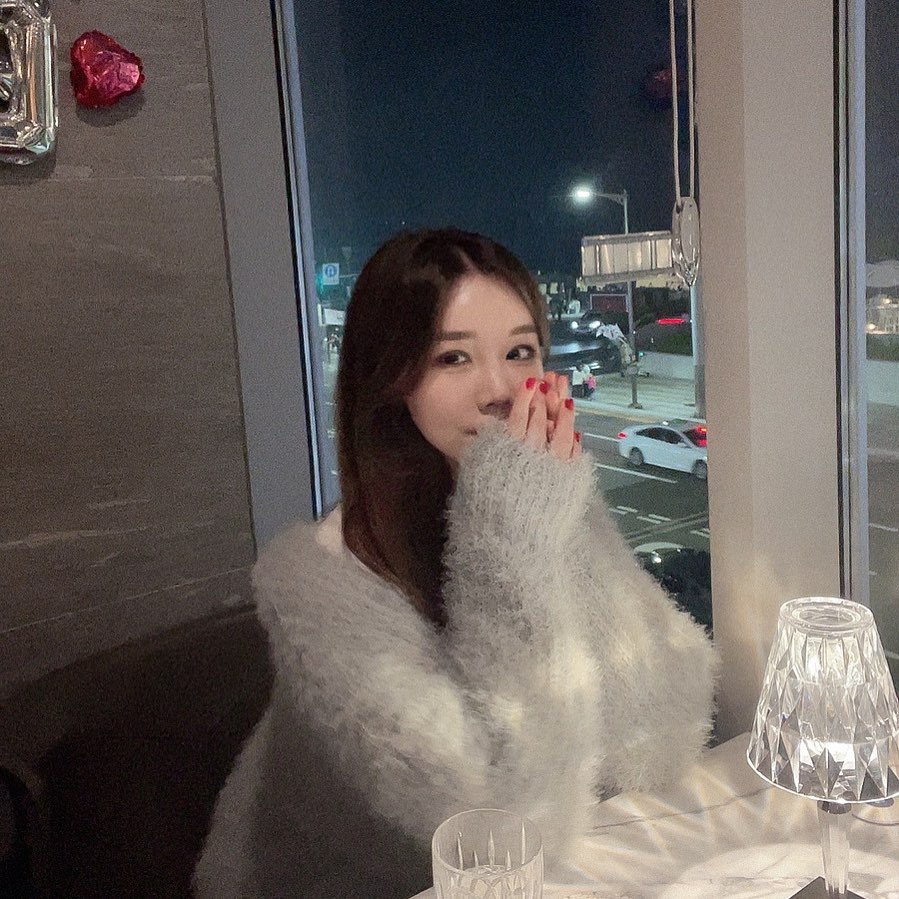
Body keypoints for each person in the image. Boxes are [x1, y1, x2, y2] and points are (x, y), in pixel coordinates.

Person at [194, 228, 717, 898]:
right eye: (453, 358)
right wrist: (514, 542)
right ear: (391, 379)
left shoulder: (537, 499)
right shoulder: (319, 580)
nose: (498, 389)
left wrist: (554, 528)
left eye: (519, 352)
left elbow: (667, 725)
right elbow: (506, 828)